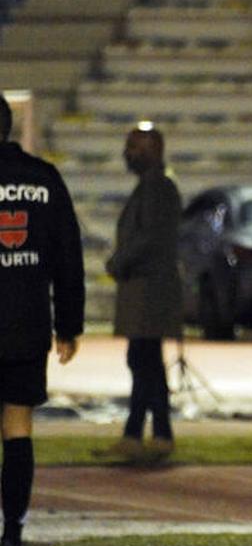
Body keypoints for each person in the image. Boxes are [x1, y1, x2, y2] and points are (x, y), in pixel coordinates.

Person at [0, 94, 85, 546]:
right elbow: (67, 258)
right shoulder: (44, 179)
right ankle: (12, 532)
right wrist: (69, 325)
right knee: (18, 426)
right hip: (26, 325)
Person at [98, 125, 183, 462]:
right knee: (147, 361)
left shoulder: (157, 188)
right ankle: (156, 433)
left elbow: (148, 238)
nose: (128, 153)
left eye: (135, 147)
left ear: (154, 150)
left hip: (150, 287)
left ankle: (140, 433)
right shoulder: (153, 187)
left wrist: (118, 261)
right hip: (148, 287)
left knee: (143, 359)